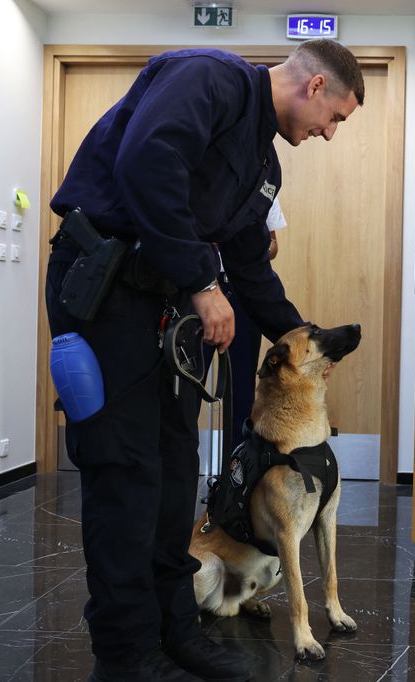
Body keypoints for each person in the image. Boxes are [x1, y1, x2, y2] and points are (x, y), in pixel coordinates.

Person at [45, 40, 364, 681]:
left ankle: (174, 630)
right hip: (105, 291)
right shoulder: (208, 79)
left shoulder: (260, 161)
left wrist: (300, 342)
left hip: (165, 309)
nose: (330, 134)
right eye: (337, 118)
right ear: (315, 88)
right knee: (127, 474)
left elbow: (248, 263)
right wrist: (201, 280)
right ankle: (125, 653)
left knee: (171, 473)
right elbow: (146, 163)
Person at [221, 199, 286, 451]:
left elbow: (273, 244)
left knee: (242, 384)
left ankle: (237, 469)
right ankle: (180, 474)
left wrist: (255, 248)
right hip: (203, 287)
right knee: (190, 383)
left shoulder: (262, 184)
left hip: (244, 289)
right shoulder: (204, 178)